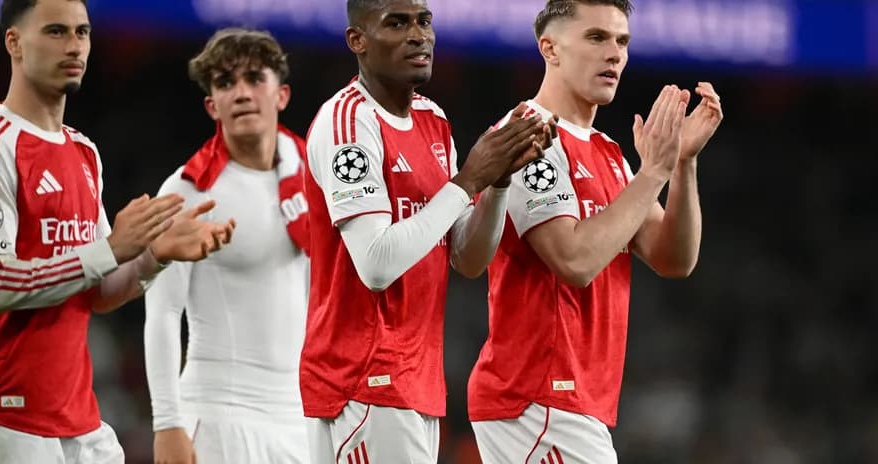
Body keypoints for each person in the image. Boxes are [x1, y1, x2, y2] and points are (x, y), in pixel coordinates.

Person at [0, 1, 235, 463]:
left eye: (83, 32)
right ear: (13, 43)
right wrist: (112, 248)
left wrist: (153, 256)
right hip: (1, 416)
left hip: (78, 421)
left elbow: (96, 291)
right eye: (56, 32)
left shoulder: (83, 153)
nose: (74, 45)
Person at [466, 0, 724, 462]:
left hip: (573, 402)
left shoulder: (607, 153)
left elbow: (674, 258)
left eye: (622, 41)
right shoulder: (526, 136)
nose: (614, 54)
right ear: (550, 48)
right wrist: (653, 174)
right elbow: (575, 261)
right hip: (536, 398)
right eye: (596, 37)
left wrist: (682, 163)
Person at [299, 0, 556, 462]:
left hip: (416, 381)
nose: (419, 35)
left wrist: (497, 182)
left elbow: (468, 259)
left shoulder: (433, 121)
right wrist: (468, 182)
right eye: (397, 23)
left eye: (424, 21)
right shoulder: (347, 124)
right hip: (362, 381)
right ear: (357, 40)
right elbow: (376, 264)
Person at [144, 28, 311, 464]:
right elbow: (162, 312)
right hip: (218, 414)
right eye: (225, 83)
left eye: (255, 78)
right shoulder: (189, 190)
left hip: (303, 418)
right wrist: (167, 424)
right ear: (211, 105)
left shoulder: (318, 178)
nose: (241, 93)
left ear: (282, 95)